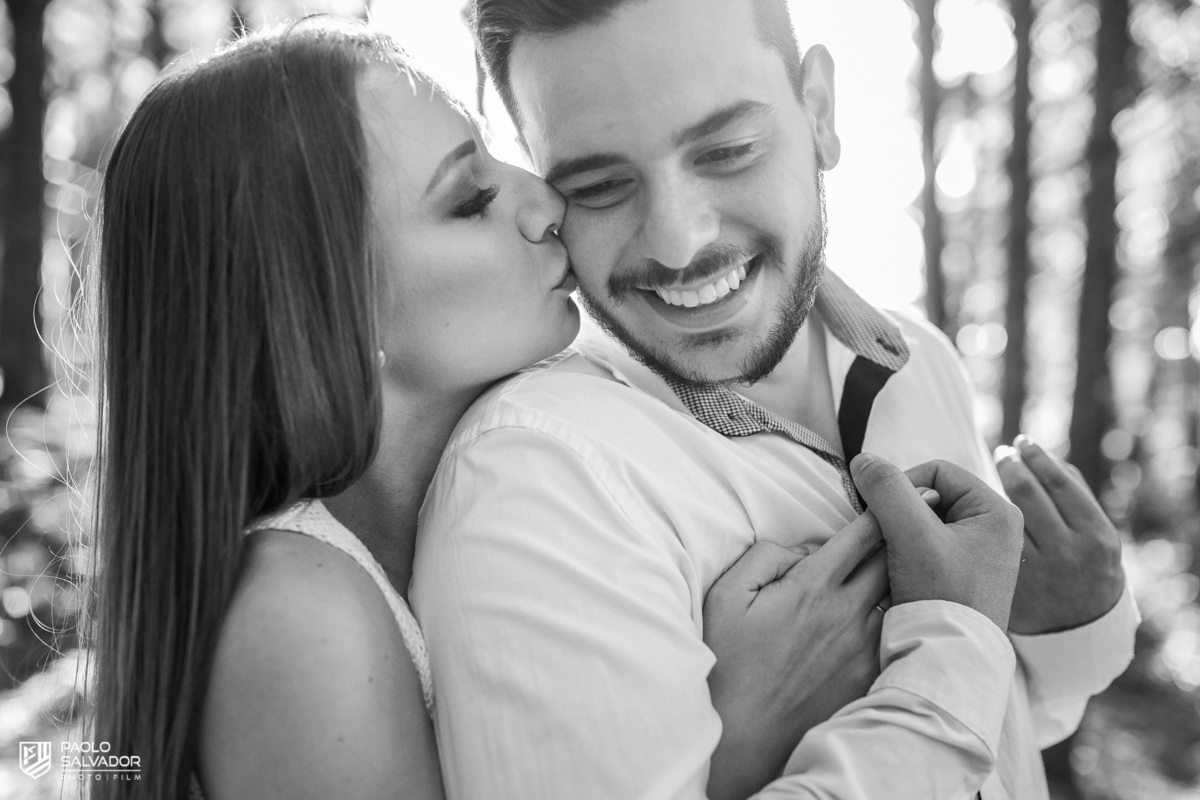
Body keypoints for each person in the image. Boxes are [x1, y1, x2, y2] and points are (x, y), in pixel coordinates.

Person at [86, 16, 1023, 800]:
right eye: (468, 198)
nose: (544, 203)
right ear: (325, 305)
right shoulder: (302, 617)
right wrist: (730, 752)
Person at [411, 1, 1141, 798]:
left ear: (820, 111)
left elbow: (989, 742)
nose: (679, 242)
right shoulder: (540, 481)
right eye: (599, 186)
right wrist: (947, 648)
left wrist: (1070, 631)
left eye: (727, 151)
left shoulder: (920, 361)